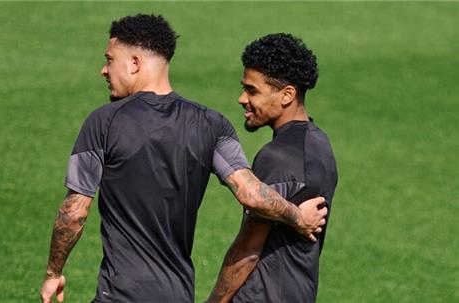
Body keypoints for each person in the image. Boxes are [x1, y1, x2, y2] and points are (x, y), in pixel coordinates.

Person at [39, 15, 327, 303]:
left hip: (120, 294)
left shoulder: (103, 122)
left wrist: (53, 273)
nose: (104, 70)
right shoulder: (212, 124)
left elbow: (74, 213)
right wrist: (297, 216)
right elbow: (251, 193)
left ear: (135, 63)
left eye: (110, 59)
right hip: (178, 294)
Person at [207, 33, 338, 303]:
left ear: (287, 94)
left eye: (252, 90)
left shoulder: (277, 157)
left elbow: (248, 249)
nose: (242, 99)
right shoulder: (320, 143)